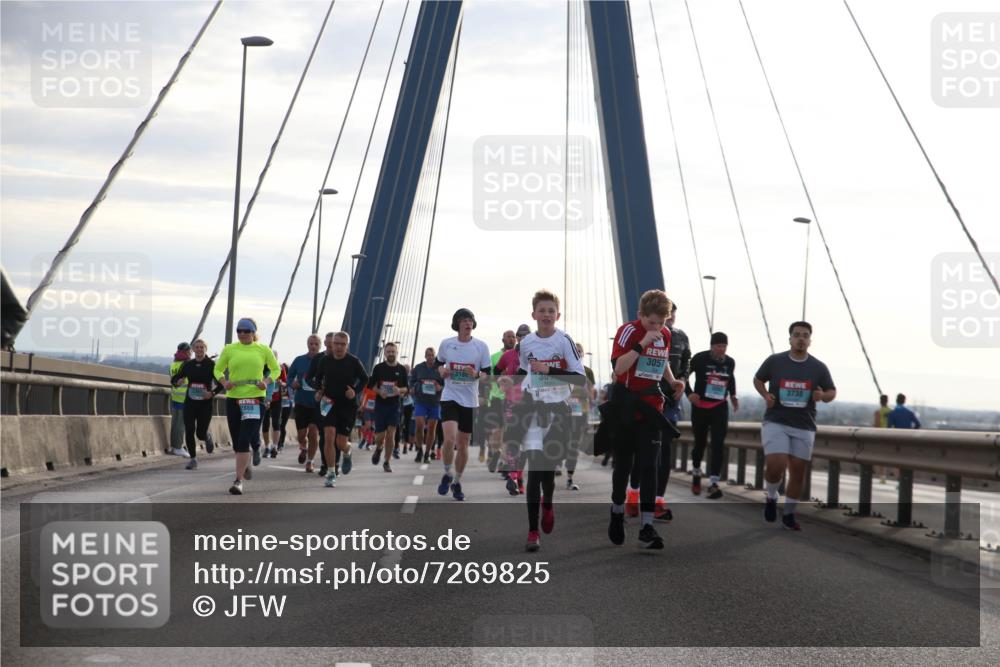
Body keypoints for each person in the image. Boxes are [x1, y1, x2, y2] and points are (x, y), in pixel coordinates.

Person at [500, 290, 584, 552]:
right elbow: (525, 372)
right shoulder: (526, 344)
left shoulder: (564, 341)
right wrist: (512, 383)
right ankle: (532, 531)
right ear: (534, 314)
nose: (546, 315)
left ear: (557, 316)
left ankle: (548, 503)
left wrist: (549, 370)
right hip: (534, 412)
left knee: (548, 472)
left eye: (551, 311)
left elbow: (579, 378)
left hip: (557, 412)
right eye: (542, 311)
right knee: (535, 471)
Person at [607, 290, 685, 550]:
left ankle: (647, 526)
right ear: (640, 314)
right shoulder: (628, 332)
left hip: (652, 407)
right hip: (627, 407)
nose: (657, 328)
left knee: (650, 466)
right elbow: (619, 368)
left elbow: (661, 361)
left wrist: (672, 380)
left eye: (661, 323)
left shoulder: (665, 334)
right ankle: (617, 511)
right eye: (652, 322)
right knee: (623, 466)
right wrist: (642, 343)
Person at [753, 321, 836, 531]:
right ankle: (772, 496)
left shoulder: (818, 367)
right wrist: (766, 395)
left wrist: (822, 395)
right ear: (790, 339)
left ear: (810, 341)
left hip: (804, 424)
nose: (801, 339)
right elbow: (758, 379)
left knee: (798, 471)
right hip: (776, 420)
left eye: (805, 335)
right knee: (776, 465)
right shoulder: (775, 361)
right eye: (797, 335)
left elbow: (831, 392)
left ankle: (789, 514)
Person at [213, 318, 280, 495]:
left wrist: (266, 382)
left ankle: (238, 481)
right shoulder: (230, 349)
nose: (242, 334)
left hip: (255, 398)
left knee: (244, 439)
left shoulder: (263, 349)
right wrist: (224, 382)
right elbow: (217, 369)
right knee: (237, 441)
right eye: (239, 330)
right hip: (234, 398)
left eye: (246, 331)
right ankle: (246, 460)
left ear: (253, 332)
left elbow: (276, 369)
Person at [435, 308, 493, 501]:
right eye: (464, 320)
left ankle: (457, 481)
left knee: (463, 444)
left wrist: (476, 374)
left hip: (469, 400)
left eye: (470, 320)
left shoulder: (481, 347)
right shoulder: (447, 344)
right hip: (450, 396)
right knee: (450, 439)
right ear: (457, 324)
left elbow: (487, 374)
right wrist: (441, 370)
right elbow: (438, 363)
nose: (468, 323)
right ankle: (447, 472)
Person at [685, 331, 738, 500]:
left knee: (718, 444)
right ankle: (696, 472)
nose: (721, 349)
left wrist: (733, 396)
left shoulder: (730, 362)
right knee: (700, 443)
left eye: (724, 346)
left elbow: (730, 379)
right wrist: (689, 394)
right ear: (712, 346)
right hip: (700, 407)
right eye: (718, 346)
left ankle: (713, 483)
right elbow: (683, 376)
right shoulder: (699, 358)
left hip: (719, 407)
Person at [315, 332, 368, 487]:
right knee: (329, 435)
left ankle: (347, 451)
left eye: (342, 344)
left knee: (340, 443)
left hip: (347, 406)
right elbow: (318, 378)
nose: (339, 347)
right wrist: (319, 390)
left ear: (347, 346)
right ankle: (331, 473)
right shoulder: (325, 360)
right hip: (328, 402)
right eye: (336, 343)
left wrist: (355, 391)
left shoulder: (353, 362)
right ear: (332, 344)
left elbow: (364, 379)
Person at [170, 338, 220, 469]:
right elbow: (175, 378)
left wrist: (212, 393)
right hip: (190, 403)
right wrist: (177, 382)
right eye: (197, 347)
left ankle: (206, 436)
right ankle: (193, 459)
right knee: (189, 430)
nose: (199, 349)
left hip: (205, 404)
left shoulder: (211, 365)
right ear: (193, 350)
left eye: (201, 347)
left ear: (205, 349)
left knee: (200, 433)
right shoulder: (188, 364)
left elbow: (221, 384)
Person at [496, 324, 530, 494]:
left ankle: (519, 477)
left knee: (525, 443)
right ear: (517, 338)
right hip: (511, 402)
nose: (523, 338)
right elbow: (496, 372)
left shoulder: (535, 355)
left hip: (530, 403)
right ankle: (513, 477)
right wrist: (501, 382)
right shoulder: (508, 355)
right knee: (512, 440)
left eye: (527, 336)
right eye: (521, 336)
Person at [368, 342, 409, 473]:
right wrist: (380, 391)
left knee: (391, 434)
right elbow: (371, 385)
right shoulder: (378, 368)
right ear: (385, 353)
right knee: (380, 437)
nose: (391, 354)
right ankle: (379, 448)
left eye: (393, 352)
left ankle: (387, 462)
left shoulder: (401, 369)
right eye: (388, 352)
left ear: (397, 353)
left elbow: (406, 388)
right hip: (380, 405)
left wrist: (399, 390)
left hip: (394, 406)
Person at [287, 335, 322, 473]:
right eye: (311, 343)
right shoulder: (299, 360)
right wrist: (292, 383)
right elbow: (289, 376)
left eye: (316, 344)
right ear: (307, 344)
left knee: (313, 432)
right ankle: (303, 447)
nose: (313, 346)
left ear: (320, 346)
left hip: (316, 404)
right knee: (301, 435)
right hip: (301, 402)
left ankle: (310, 461)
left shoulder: (323, 361)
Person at [564, 341, 595, 491]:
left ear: (582, 354)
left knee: (574, 446)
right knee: (563, 442)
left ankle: (570, 478)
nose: (577, 353)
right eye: (574, 351)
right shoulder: (562, 369)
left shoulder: (588, 371)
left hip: (581, 411)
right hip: (564, 410)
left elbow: (591, 396)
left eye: (579, 351)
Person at [410, 347, 443, 464]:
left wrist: (440, 387)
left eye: (432, 355)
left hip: (435, 402)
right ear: (425, 356)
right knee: (419, 425)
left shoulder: (440, 369)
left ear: (435, 356)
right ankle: (419, 450)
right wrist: (412, 388)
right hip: (421, 401)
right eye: (428, 355)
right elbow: (412, 381)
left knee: (431, 428)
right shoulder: (419, 368)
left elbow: (446, 384)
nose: (430, 357)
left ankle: (427, 453)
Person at [261, 355, 288, 459]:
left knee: (276, 422)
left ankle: (275, 447)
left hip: (276, 399)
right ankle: (267, 446)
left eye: (274, 357)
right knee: (265, 423)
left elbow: (286, 383)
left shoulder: (280, 368)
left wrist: (281, 383)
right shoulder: (262, 367)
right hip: (264, 398)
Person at [168, 342, 192, 457]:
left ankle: (174, 446)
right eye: (190, 351)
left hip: (175, 396)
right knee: (181, 424)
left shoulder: (173, 364)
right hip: (184, 398)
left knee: (175, 423)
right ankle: (178, 447)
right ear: (187, 351)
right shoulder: (187, 364)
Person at [873, 393, 892, 482]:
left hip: (880, 435)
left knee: (880, 457)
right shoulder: (891, 411)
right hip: (890, 435)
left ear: (880, 401)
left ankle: (882, 476)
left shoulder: (878, 412)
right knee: (888, 456)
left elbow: (877, 425)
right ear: (887, 401)